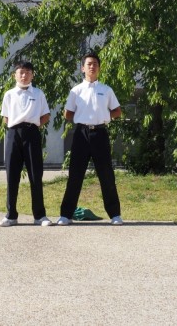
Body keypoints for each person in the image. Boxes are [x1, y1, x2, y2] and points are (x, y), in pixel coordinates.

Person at [57, 52, 123, 226]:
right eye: (89, 64)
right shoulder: (76, 90)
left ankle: (115, 214)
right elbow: (67, 113)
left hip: (100, 133)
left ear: (99, 68)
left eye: (95, 64)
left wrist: (103, 115)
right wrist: (84, 116)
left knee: (106, 174)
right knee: (75, 175)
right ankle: (66, 214)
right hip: (81, 134)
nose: (92, 66)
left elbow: (117, 111)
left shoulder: (106, 90)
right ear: (83, 68)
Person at [0, 61, 52, 227]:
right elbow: (5, 117)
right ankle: (11, 215)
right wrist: (18, 126)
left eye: (28, 72)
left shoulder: (39, 93)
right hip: (13, 134)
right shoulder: (9, 94)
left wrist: (32, 126)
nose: (24, 75)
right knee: (12, 176)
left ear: (32, 75)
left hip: (32, 134)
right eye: (21, 72)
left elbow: (45, 115)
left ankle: (40, 216)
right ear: (15, 75)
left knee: (36, 175)